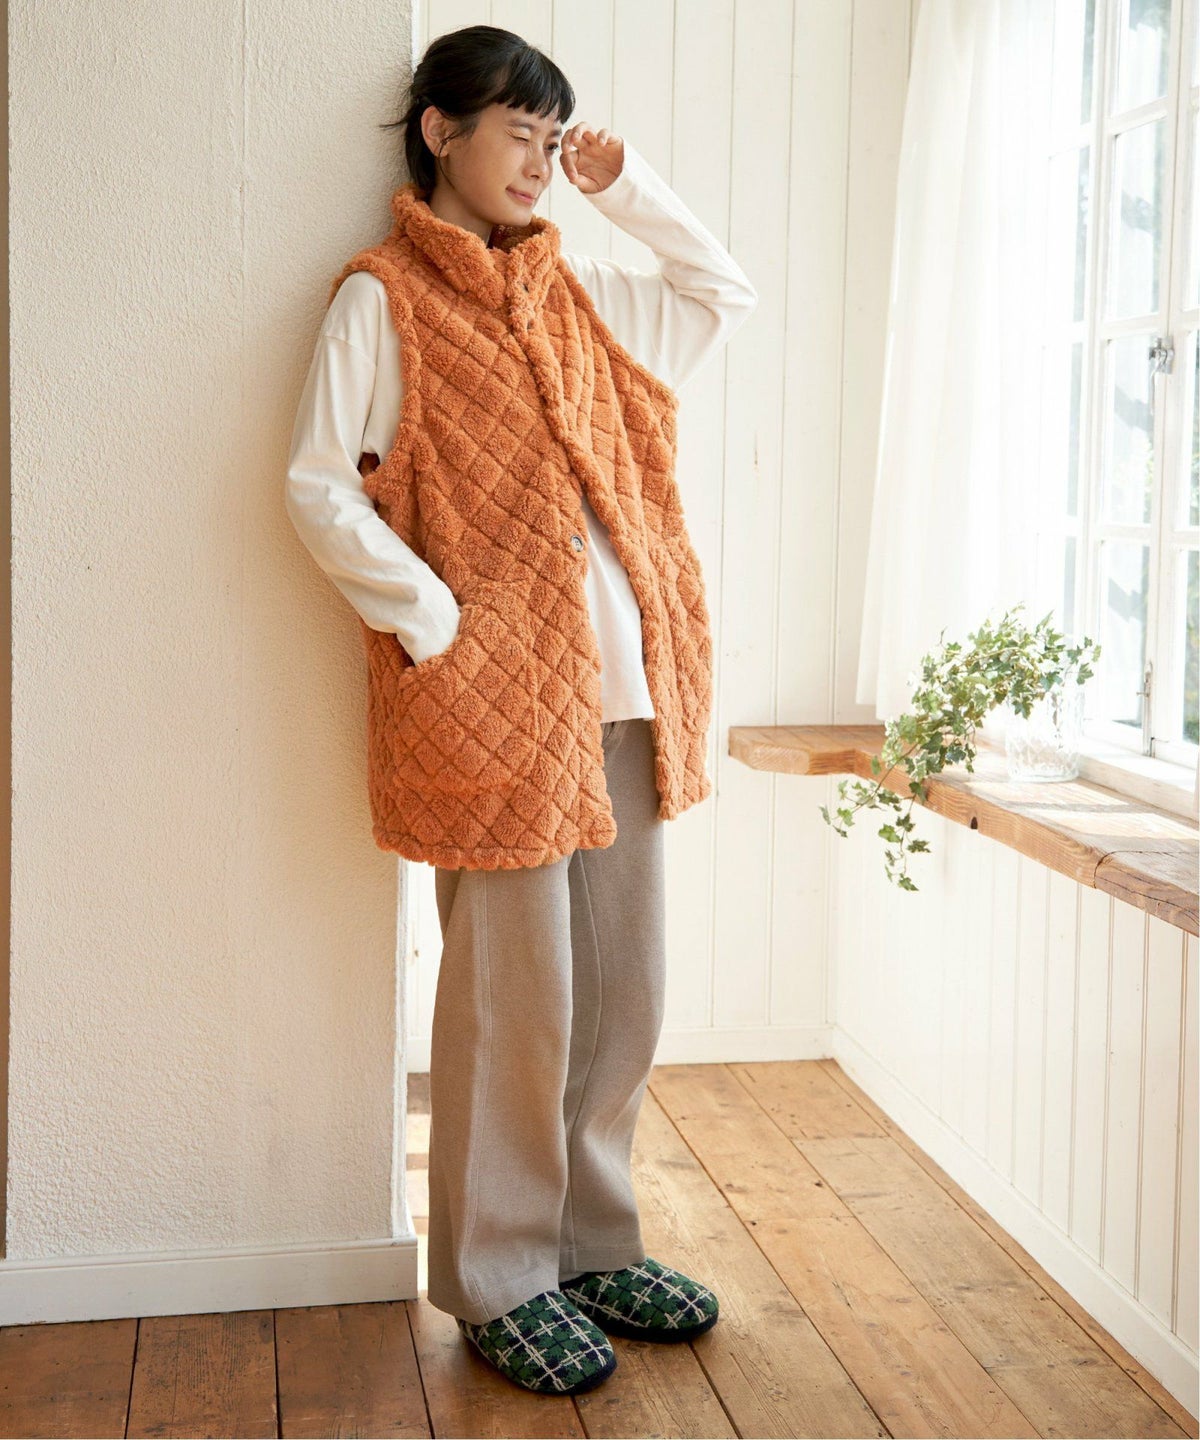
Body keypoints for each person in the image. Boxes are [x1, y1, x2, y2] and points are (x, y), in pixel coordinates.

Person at [285, 24, 757, 1398]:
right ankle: (497, 1279)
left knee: (622, 994)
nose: (541, 163)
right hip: (491, 705)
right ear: (441, 131)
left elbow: (719, 292)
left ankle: (594, 1247)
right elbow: (318, 487)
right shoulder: (380, 299)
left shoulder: (582, 289)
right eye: (520, 135)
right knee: (514, 1005)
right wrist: (438, 620)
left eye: (554, 140)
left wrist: (627, 185)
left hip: (624, 696)